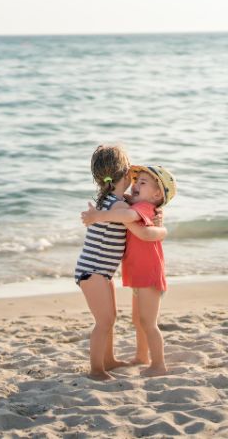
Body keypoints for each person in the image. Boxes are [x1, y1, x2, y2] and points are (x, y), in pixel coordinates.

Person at [75, 147, 168, 381]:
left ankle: (108, 360)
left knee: (110, 319)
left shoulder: (113, 201)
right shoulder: (117, 207)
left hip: (99, 272)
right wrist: (98, 217)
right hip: (94, 271)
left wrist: (153, 217)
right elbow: (128, 216)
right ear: (125, 175)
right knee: (104, 322)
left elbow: (130, 210)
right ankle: (97, 370)